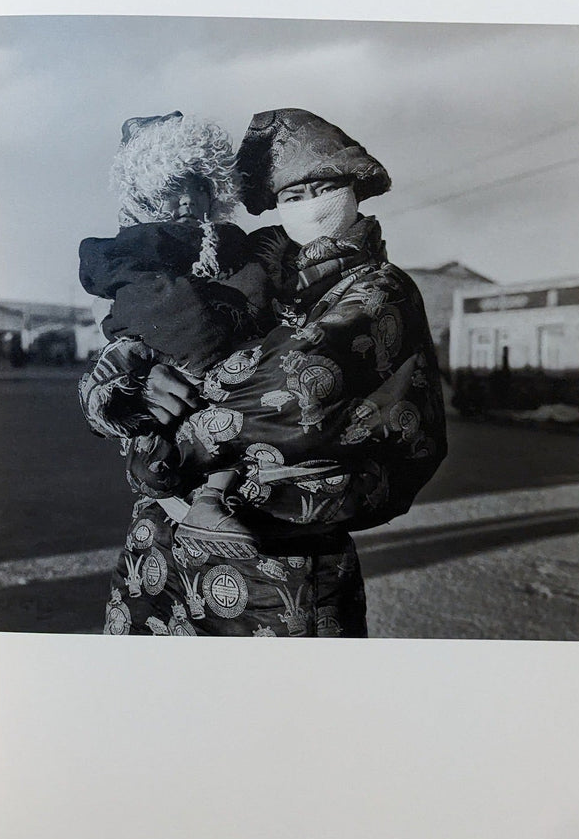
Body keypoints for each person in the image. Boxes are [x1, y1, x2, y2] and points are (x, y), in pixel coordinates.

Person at [84, 108, 448, 637]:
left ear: (355, 187)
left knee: (278, 711)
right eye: (290, 197)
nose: (309, 206)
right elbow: (131, 351)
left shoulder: (377, 288)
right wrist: (122, 387)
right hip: (159, 548)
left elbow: (293, 392)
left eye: (322, 187)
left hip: (275, 558)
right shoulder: (258, 264)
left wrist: (158, 435)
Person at [77, 111, 290, 552]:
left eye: (200, 187)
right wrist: (130, 381)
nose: (189, 202)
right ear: (148, 195)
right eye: (173, 189)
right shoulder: (138, 248)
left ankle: (211, 499)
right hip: (185, 367)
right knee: (165, 451)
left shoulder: (237, 248)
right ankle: (197, 496)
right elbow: (139, 317)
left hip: (246, 414)